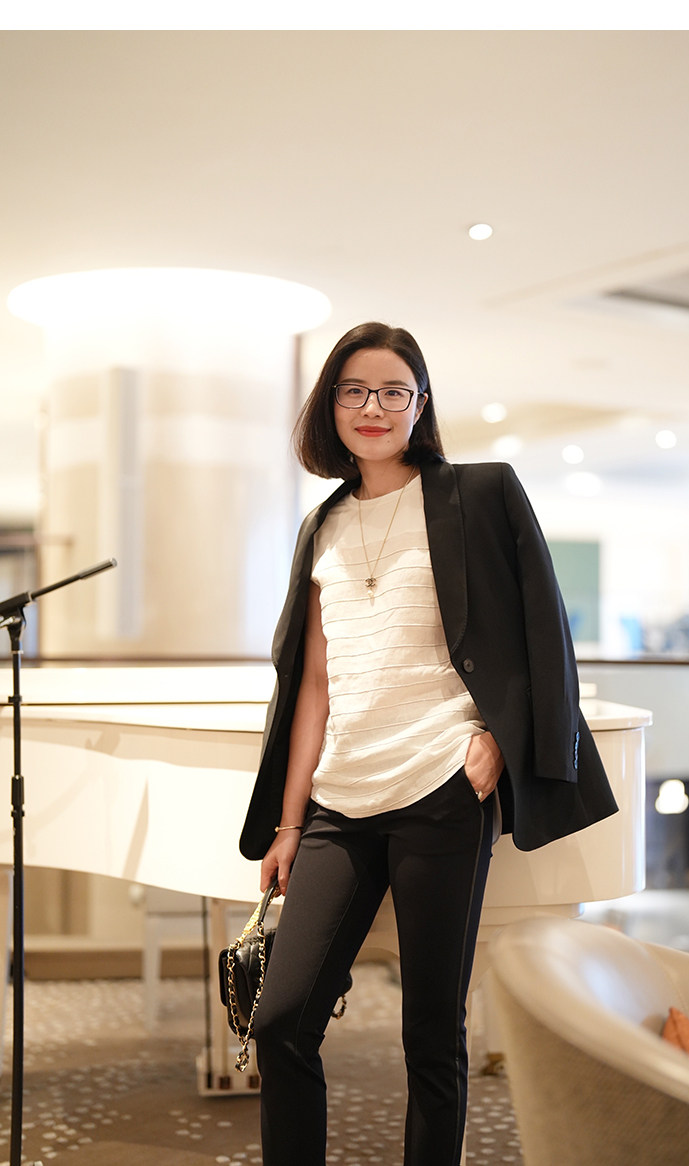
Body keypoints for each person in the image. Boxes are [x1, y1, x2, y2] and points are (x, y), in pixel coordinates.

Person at [239, 321, 618, 1166]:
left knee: (431, 1035)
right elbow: (313, 687)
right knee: (282, 1021)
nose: (372, 407)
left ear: (420, 404)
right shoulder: (322, 526)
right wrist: (291, 823)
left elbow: (541, 630)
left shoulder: (478, 493)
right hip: (340, 801)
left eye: (392, 391)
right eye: (353, 390)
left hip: (441, 791)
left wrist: (497, 740)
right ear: (329, 406)